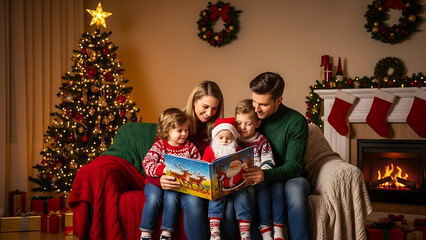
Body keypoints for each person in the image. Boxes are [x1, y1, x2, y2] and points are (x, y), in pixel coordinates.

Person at [243, 72, 311, 240]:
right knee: (243, 195)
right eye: (254, 101)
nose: (256, 109)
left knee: (294, 191)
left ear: (279, 100)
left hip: (290, 177)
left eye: (263, 105)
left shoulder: (296, 121)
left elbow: (294, 166)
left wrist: (265, 175)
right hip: (256, 177)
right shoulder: (250, 116)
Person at [159, 81, 224, 239]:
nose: (209, 113)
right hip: (179, 183)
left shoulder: (218, 128)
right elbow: (157, 153)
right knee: (192, 202)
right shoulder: (176, 121)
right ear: (194, 101)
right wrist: (160, 179)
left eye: (214, 108)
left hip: (205, 186)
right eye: (205, 106)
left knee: (217, 204)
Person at [140, 108, 201, 240]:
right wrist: (163, 169)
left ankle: (166, 234)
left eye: (187, 129)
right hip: (155, 183)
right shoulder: (160, 145)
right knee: (154, 198)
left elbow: (198, 165)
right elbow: (147, 163)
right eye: (179, 130)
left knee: (172, 198)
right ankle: (145, 233)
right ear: (167, 131)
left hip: (176, 186)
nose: (184, 134)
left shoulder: (190, 147)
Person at [235, 99, 287, 240]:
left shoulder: (261, 141)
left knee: (264, 190)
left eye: (248, 123)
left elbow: (268, 162)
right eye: (239, 123)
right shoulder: (234, 140)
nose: (243, 127)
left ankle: (269, 230)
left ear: (258, 123)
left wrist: (260, 173)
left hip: (259, 180)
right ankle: (251, 231)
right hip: (241, 184)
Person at [202, 117, 252, 240]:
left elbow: (244, 162)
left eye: (229, 138)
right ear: (215, 137)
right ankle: (214, 233)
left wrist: (246, 166)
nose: (225, 141)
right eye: (221, 138)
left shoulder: (237, 150)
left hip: (237, 184)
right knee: (215, 200)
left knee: (244, 198)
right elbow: (203, 166)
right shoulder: (209, 150)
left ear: (234, 138)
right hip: (219, 185)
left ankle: (245, 235)